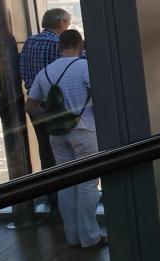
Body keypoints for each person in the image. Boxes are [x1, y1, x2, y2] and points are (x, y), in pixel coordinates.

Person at [25, 29, 104, 248]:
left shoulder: (45, 72)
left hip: (57, 134)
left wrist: (51, 118)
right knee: (87, 183)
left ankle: (72, 237)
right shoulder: (84, 67)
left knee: (67, 183)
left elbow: (30, 106)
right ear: (81, 45)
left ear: (59, 46)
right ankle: (90, 237)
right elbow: (100, 97)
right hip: (84, 130)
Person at [19, 8, 72, 181]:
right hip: (55, 104)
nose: (67, 27)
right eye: (67, 23)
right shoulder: (58, 44)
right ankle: (64, 185)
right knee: (64, 149)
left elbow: (23, 70)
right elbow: (76, 63)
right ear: (60, 23)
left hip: (34, 104)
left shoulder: (29, 42)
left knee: (45, 149)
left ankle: (49, 188)